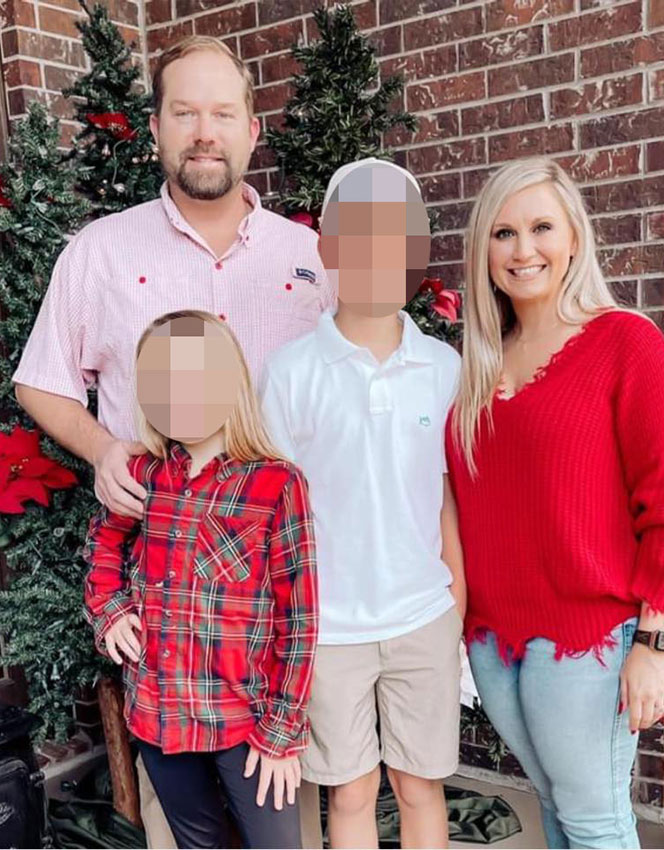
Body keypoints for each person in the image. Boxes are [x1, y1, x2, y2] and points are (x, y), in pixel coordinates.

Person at [13, 34, 333, 847]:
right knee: (187, 830)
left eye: (223, 112)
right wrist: (104, 449)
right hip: (168, 623)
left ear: (252, 130)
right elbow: (39, 379)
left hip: (284, 593)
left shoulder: (312, 260)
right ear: (155, 127)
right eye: (184, 112)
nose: (204, 130)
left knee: (284, 810)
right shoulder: (101, 251)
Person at [445, 156, 664, 849]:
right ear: (484, 252)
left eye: (540, 228)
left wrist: (653, 641)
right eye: (502, 233)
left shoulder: (626, 343)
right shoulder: (481, 362)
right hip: (498, 642)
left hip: (588, 636)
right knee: (557, 806)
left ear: (574, 238)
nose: (522, 250)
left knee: (592, 822)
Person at [261, 158, 466, 849]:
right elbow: (274, 515)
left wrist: (455, 611)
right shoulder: (291, 373)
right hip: (331, 626)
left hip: (423, 617)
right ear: (328, 246)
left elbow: (444, 500)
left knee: (419, 784)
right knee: (349, 790)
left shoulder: (444, 368)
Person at [84, 310, 318, 849]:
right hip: (159, 712)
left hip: (244, 721)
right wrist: (111, 608)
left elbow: (299, 619)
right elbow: (103, 541)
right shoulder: (145, 475)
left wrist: (282, 728)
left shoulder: (275, 484)